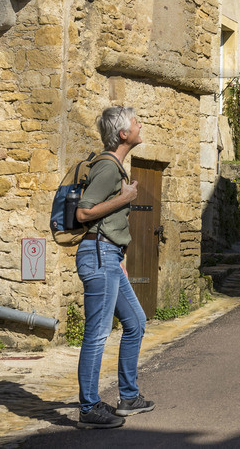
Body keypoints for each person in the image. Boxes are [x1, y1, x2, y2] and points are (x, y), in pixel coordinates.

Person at [74, 105, 154, 429]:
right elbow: (83, 214)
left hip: (109, 256)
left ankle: (128, 397)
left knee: (135, 321)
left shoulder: (114, 167)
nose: (140, 124)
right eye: (136, 122)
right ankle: (89, 408)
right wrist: (124, 199)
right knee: (97, 334)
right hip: (98, 255)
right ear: (123, 134)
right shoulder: (107, 168)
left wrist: (119, 258)